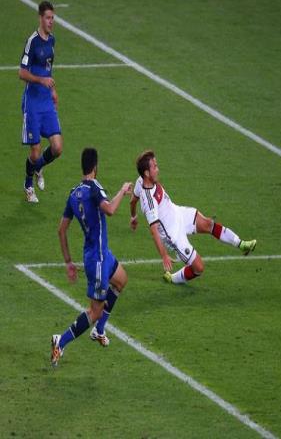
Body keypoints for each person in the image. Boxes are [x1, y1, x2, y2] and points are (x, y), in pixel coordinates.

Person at [51, 148, 132, 366]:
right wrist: (122, 190)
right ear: (95, 166)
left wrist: (68, 261)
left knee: (121, 280)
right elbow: (110, 210)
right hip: (97, 260)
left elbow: (61, 230)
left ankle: (99, 330)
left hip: (99, 254)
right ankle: (61, 341)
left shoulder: (73, 193)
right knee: (95, 311)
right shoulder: (95, 187)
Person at [129, 150, 257, 284]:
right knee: (199, 268)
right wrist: (164, 255)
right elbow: (154, 230)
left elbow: (133, 201)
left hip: (178, 213)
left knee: (208, 224)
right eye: (154, 167)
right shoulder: (150, 201)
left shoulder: (140, 181)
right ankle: (172, 278)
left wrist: (133, 217)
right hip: (173, 234)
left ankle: (241, 244)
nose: (158, 169)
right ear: (147, 173)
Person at [19, 1, 63, 203]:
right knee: (35, 152)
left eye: (53, 18)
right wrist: (41, 81)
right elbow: (22, 73)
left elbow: (48, 69)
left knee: (57, 148)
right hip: (33, 104)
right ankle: (28, 185)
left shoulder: (52, 40)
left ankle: (38, 168)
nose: (51, 21)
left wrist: (52, 90)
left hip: (46, 102)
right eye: (47, 18)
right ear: (40, 18)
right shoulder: (32, 42)